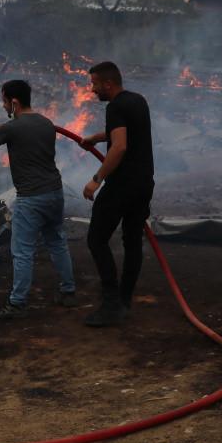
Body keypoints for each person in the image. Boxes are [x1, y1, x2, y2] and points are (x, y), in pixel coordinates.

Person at [0, 79, 76, 320]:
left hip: (31, 198)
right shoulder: (46, 123)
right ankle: (68, 291)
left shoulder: (12, 128)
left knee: (22, 251)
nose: (3, 106)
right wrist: (2, 127)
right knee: (57, 242)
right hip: (55, 193)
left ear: (14, 102)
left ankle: (17, 303)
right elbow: (22, 130)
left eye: (4, 102)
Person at [78, 61, 154, 328]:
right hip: (144, 183)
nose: (92, 89)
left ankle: (111, 305)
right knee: (132, 241)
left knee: (96, 239)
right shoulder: (137, 101)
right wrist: (98, 137)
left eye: (94, 84)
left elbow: (120, 147)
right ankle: (124, 300)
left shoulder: (115, 107)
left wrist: (96, 180)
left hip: (122, 186)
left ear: (108, 84)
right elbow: (126, 135)